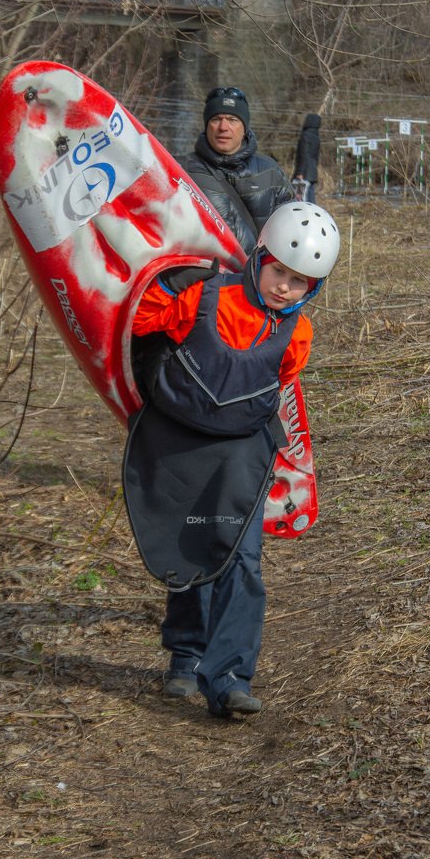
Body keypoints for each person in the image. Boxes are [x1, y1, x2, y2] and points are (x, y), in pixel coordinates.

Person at [124, 203, 340, 718]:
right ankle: (186, 656)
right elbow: (141, 322)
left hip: (241, 451)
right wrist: (170, 283)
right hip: (179, 442)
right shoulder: (205, 295)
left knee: (240, 557)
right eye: (279, 271)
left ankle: (230, 679)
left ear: (313, 289)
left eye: (300, 282)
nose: (284, 287)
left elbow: (282, 380)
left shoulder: (298, 334)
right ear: (259, 258)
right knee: (191, 544)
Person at [182, 86, 294, 256]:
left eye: (232, 119)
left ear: (244, 128)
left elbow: (291, 230)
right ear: (206, 126)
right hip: (206, 270)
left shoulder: (270, 171)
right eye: (216, 119)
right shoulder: (184, 170)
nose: (223, 127)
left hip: (258, 270)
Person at [292, 113, 321, 204]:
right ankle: (313, 212)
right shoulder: (317, 137)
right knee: (311, 199)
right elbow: (316, 156)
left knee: (301, 199)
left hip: (304, 172)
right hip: (312, 172)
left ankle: (303, 213)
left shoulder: (305, 136)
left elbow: (303, 154)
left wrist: (300, 172)